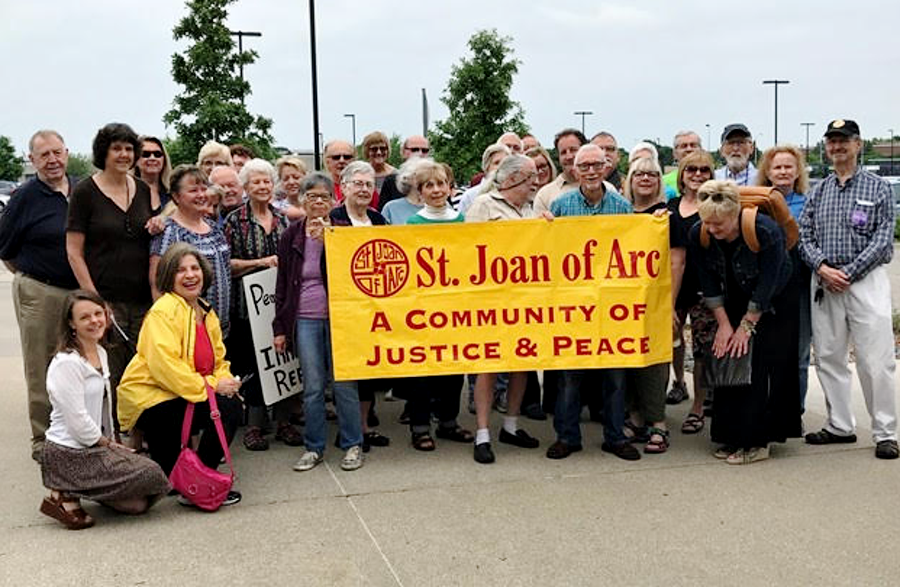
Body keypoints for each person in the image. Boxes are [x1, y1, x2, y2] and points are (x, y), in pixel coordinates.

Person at [799, 119, 898, 459]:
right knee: (828, 356)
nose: (837, 147)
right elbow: (805, 237)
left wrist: (849, 272)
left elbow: (884, 239)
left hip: (865, 282)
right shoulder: (818, 191)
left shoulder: (878, 188)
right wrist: (824, 268)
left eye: (844, 141)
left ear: (858, 145)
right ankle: (840, 425)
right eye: (832, 142)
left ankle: (886, 432)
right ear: (826, 148)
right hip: (825, 282)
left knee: (876, 360)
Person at [117, 243, 243, 505]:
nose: (190, 275)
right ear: (167, 277)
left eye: (195, 268)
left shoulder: (205, 311)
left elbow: (219, 358)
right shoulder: (164, 310)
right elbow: (166, 368)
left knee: (230, 404)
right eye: (180, 270)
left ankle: (201, 476)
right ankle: (197, 482)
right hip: (154, 400)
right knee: (224, 410)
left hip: (184, 393)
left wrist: (226, 381)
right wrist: (211, 386)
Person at [690, 180, 800, 464]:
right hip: (733, 294)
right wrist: (725, 325)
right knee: (729, 355)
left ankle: (758, 441)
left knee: (759, 364)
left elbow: (768, 283)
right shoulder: (700, 233)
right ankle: (731, 434)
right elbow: (708, 281)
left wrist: (746, 326)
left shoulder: (764, 230)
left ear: (735, 215)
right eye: (708, 223)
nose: (713, 230)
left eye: (720, 225)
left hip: (775, 298)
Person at [39, 290, 170, 529]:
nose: (94, 321)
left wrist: (113, 439)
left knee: (139, 505)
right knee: (151, 472)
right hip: (69, 450)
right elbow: (77, 421)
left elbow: (105, 405)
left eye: (98, 313)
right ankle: (63, 488)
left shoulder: (100, 351)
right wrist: (110, 447)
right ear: (71, 324)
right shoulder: (66, 363)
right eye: (85, 317)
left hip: (95, 444)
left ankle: (75, 488)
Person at [546, 144, 639, 461]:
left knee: (615, 377)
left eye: (595, 165)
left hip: (611, 306)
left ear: (606, 167)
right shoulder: (559, 207)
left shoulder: (622, 207)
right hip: (572, 305)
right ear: (573, 170)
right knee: (570, 377)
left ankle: (615, 437)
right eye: (582, 166)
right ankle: (567, 437)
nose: (589, 171)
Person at [274, 173, 365, 472]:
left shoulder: (343, 231)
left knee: (344, 385)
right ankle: (314, 447)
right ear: (302, 200)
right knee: (312, 387)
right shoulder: (291, 236)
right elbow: (283, 283)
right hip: (305, 318)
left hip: (340, 319)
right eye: (311, 196)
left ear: (333, 201)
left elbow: (354, 276)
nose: (317, 202)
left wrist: (331, 242)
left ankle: (352, 444)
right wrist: (279, 328)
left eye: (324, 197)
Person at [0, 130, 79, 462]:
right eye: (44, 155)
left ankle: (79, 431)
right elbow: (5, 249)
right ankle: (43, 439)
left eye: (57, 152)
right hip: (41, 290)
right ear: (31, 160)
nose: (52, 160)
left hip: (81, 295)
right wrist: (33, 276)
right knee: (42, 366)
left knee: (81, 365)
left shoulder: (80, 189)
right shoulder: (24, 197)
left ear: (67, 153)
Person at [67, 122, 154, 418]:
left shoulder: (142, 189)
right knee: (110, 373)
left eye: (129, 148)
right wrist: (94, 301)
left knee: (142, 372)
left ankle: (138, 441)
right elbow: (73, 251)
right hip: (105, 300)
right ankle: (110, 440)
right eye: (117, 148)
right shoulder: (85, 192)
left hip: (143, 299)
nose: (124, 154)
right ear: (103, 152)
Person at [464, 154, 545, 463]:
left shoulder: (531, 209)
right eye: (530, 179)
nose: (535, 184)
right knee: (488, 365)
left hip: (525, 301)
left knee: (521, 363)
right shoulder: (484, 206)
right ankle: (483, 432)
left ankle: (510, 426)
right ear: (511, 180)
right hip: (491, 300)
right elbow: (469, 247)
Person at [393, 161, 473, 450]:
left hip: (456, 307)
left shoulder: (462, 220)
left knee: (454, 368)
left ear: (450, 187)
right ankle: (420, 426)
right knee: (422, 370)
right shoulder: (413, 224)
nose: (436, 190)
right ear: (420, 191)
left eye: (441, 183)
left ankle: (449, 422)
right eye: (429, 185)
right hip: (424, 308)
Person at [223, 158, 301, 451]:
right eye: (255, 181)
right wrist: (261, 263)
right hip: (246, 308)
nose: (262, 186)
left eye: (267, 180)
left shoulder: (283, 220)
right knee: (256, 365)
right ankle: (255, 426)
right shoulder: (235, 221)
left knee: (283, 359)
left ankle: (284, 422)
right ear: (245, 187)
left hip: (279, 307)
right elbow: (226, 264)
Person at [329, 161, 391, 450]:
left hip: (373, 308)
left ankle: (364, 427)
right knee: (346, 374)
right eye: (358, 184)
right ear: (344, 187)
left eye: (369, 184)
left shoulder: (378, 220)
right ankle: (348, 430)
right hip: (342, 307)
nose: (364, 189)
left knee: (369, 370)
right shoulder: (333, 218)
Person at [756, 145, 812, 412]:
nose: (783, 171)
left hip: (798, 286)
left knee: (799, 354)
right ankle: (767, 410)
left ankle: (795, 411)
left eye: (788, 166)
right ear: (768, 171)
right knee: (766, 354)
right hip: (766, 288)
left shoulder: (809, 202)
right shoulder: (757, 202)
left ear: (797, 170)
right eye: (777, 167)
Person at [621, 157, 671, 452]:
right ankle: (635, 416)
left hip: (656, 298)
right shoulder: (621, 212)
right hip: (624, 300)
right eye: (639, 174)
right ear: (630, 179)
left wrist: (672, 301)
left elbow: (675, 261)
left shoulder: (667, 215)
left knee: (655, 360)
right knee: (629, 359)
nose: (645, 179)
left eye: (652, 174)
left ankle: (658, 422)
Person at [666, 151, 717, 435]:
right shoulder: (671, 206)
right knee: (673, 341)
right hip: (675, 285)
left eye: (704, 170)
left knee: (700, 351)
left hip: (703, 287)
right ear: (682, 174)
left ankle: (699, 406)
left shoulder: (714, 206)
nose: (697, 175)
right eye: (691, 170)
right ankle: (678, 383)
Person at [149, 164, 231, 337]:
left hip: (218, 327)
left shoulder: (214, 227)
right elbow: (157, 282)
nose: (201, 195)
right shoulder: (169, 231)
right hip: (186, 330)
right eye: (194, 190)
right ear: (176, 197)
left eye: (204, 189)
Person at [378, 134, 430, 210]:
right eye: (414, 150)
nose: (420, 154)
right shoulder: (391, 182)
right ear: (403, 152)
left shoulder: (438, 179)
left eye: (424, 150)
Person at [454, 143, 510, 214]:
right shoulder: (470, 196)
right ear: (486, 167)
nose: (501, 166)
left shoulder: (516, 194)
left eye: (505, 162)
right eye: (496, 163)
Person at [381, 158, 426, 225]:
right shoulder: (391, 208)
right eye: (421, 174)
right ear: (406, 178)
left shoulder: (440, 206)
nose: (426, 178)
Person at [134, 135, 171, 213]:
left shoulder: (173, 194)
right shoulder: (126, 193)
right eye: (145, 154)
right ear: (135, 160)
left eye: (157, 154)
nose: (152, 158)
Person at [663, 131, 702, 198]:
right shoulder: (663, 182)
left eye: (693, 145)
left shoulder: (712, 178)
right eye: (684, 146)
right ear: (674, 153)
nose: (689, 149)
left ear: (701, 150)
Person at [274, 155, 308, 220]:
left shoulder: (318, 203)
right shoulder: (275, 208)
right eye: (286, 179)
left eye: (296, 177)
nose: (291, 182)